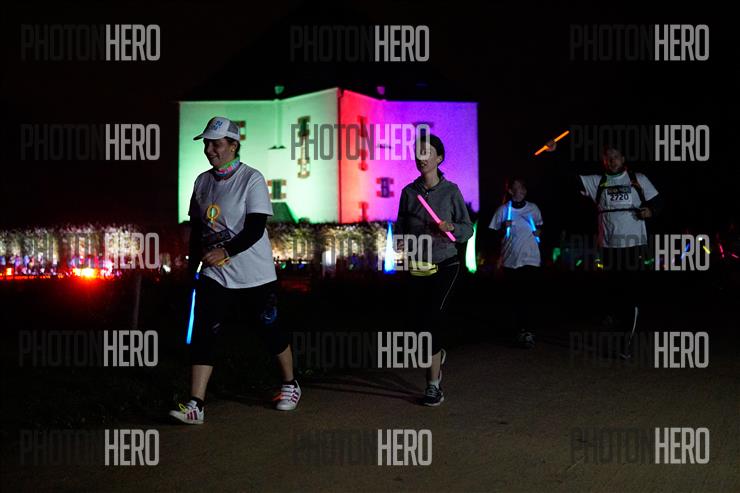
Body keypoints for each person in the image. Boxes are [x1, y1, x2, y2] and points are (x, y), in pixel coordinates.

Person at [169, 117, 299, 425]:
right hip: (215, 273)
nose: (209, 150)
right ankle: (196, 404)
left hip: (254, 272)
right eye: (206, 144)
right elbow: (198, 230)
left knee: (268, 328)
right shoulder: (202, 182)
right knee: (204, 331)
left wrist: (226, 251)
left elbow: (255, 228)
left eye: (216, 144)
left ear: (233, 145)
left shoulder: (251, 179)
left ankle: (290, 383)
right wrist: (191, 269)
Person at [547, 141, 663, 356]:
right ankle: (618, 325)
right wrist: (556, 154)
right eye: (608, 157)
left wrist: (650, 211)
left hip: (634, 243)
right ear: (604, 161)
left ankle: (626, 343)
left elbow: (658, 201)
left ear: (623, 159)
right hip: (608, 245)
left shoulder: (638, 179)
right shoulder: (597, 181)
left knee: (630, 293)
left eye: (616, 156)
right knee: (615, 291)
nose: (612, 160)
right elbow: (569, 177)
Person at [395, 134, 473, 406]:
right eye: (418, 152)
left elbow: (467, 228)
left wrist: (451, 227)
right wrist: (401, 247)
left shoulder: (451, 191)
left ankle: (433, 385)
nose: (422, 157)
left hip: (446, 263)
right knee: (419, 324)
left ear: (439, 158)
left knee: (433, 318)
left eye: (427, 152)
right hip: (418, 265)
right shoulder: (409, 192)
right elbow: (401, 227)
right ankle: (437, 353)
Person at [489, 177, 543, 348]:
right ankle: (519, 329)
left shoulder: (533, 208)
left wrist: (539, 233)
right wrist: (503, 228)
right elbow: (491, 234)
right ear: (511, 191)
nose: (522, 190)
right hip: (511, 261)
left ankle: (528, 330)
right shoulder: (503, 210)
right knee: (516, 297)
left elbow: (540, 227)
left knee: (529, 295)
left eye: (523, 187)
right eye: (518, 187)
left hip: (531, 258)